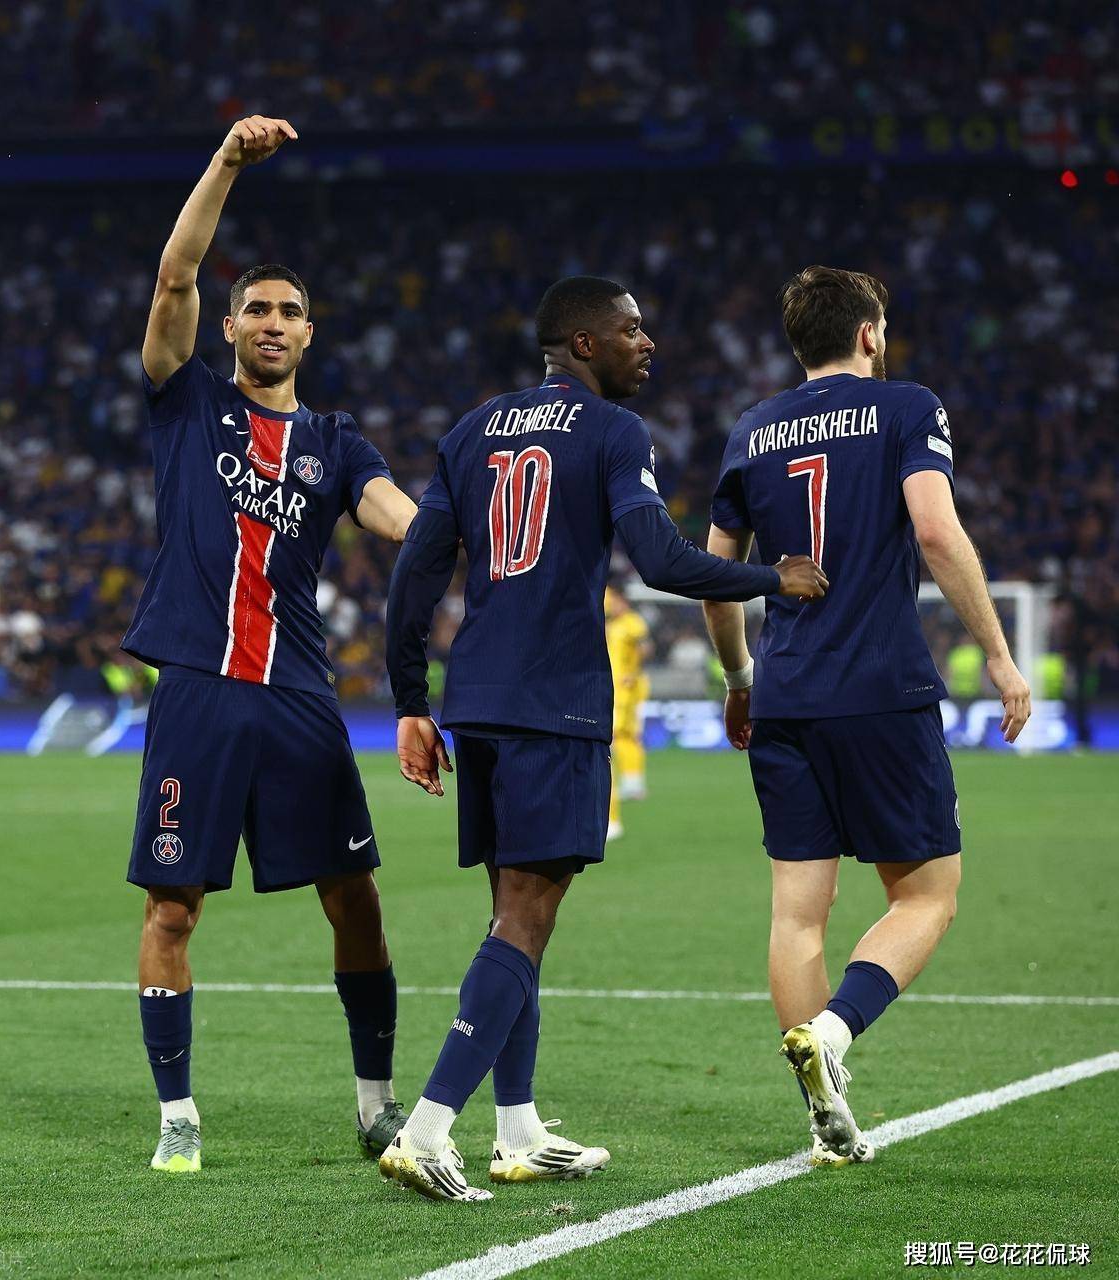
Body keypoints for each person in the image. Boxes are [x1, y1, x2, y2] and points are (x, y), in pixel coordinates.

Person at [379, 275, 828, 1201]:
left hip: (480, 698)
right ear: (582, 343)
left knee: (514, 917)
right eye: (629, 329)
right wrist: (772, 578)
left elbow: (415, 573)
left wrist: (410, 700)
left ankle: (517, 1129)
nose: (645, 342)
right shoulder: (613, 431)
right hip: (557, 702)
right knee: (526, 917)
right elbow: (660, 560)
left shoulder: (471, 431)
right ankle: (427, 1129)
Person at [123, 116, 419, 1174]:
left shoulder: (335, 442)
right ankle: (177, 1115)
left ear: (310, 332)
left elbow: (394, 514)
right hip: (199, 691)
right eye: (256, 309)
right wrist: (225, 164)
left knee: (356, 899)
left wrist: (464, 529)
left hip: (297, 695)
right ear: (230, 325)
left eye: (290, 311)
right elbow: (173, 274)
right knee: (172, 906)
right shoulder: (187, 400)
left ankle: (375, 1103)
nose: (273, 323)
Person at [703, 265, 1032, 1165]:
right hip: (881, 689)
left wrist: (738, 677)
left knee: (797, 913)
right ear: (869, 334)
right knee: (927, 894)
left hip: (785, 693)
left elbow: (716, 573)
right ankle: (836, 1030)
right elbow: (935, 529)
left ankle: (823, 1117)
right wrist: (999, 654)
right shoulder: (906, 406)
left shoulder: (751, 429)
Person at [604, 582, 654, 839]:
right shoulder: (612, 625)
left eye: (614, 601)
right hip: (612, 687)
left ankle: (629, 789)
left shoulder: (632, 622)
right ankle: (633, 783)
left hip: (625, 690)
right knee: (622, 737)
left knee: (617, 738)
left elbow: (645, 647)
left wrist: (634, 673)